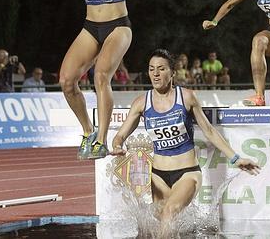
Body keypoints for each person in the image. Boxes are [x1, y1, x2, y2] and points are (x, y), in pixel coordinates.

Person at [13, 0, 164, 159]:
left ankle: (101, 140)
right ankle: (88, 132)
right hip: (91, 26)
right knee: (67, 81)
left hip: (118, 26)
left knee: (100, 76)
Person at [111, 49, 260, 230]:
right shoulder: (141, 103)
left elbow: (209, 131)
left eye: (161, 69)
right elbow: (120, 135)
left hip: (187, 173)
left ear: (173, 72)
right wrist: (117, 145)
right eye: (151, 69)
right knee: (163, 224)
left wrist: (236, 158)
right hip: (158, 175)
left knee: (169, 213)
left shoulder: (187, 97)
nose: (155, 74)